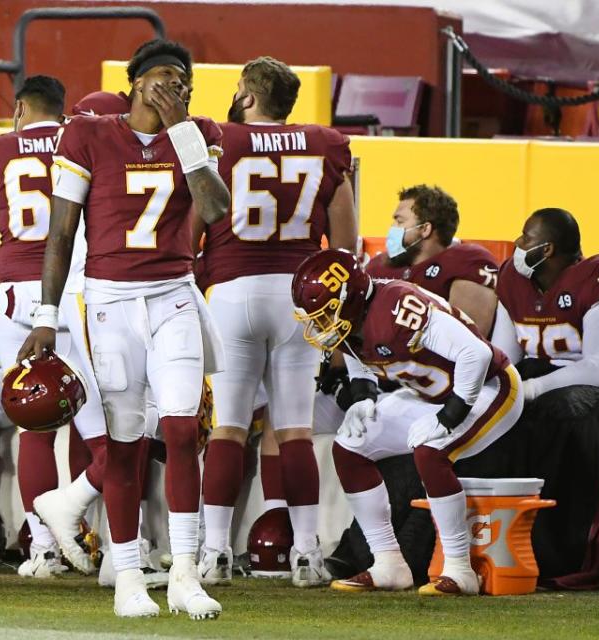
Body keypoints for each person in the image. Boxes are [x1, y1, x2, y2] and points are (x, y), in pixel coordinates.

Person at [19, 39, 231, 619]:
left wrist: (183, 126)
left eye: (183, 78)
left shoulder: (197, 131)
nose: (175, 84)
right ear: (135, 82)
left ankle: (186, 572)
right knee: (123, 442)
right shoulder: (87, 133)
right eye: (164, 75)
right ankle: (129, 576)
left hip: (173, 295)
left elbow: (214, 209)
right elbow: (61, 234)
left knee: (185, 429)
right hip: (110, 300)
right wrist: (46, 314)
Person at [195, 56, 357, 587]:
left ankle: (215, 551)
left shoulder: (217, 138)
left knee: (228, 429)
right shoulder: (326, 144)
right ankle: (307, 554)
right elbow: (346, 244)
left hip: (233, 291)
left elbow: (193, 225)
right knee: (295, 432)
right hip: (297, 295)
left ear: (247, 95)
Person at [292, 249, 524, 595]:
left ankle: (459, 570)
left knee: (431, 450)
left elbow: (477, 354)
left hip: (490, 387)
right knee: (349, 447)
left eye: (326, 315)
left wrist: (450, 416)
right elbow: (360, 359)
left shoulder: (398, 309)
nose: (321, 326)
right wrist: (364, 397)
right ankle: (388, 563)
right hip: (430, 393)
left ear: (350, 298)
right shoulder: (355, 318)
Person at [0, 76, 108, 577]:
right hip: (78, 293)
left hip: (14, 300)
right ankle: (96, 534)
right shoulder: (86, 139)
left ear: (20, 107)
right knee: (100, 427)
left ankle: (42, 547)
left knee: (34, 426)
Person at [492, 208, 599, 400]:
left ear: (547, 249)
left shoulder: (592, 281)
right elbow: (504, 358)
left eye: (526, 237)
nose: (517, 242)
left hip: (579, 391)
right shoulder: (512, 278)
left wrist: (533, 389)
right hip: (530, 376)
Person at [367, 185, 499, 336]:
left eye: (399, 221)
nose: (392, 228)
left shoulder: (466, 262)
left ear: (425, 229)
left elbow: (466, 341)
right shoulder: (379, 265)